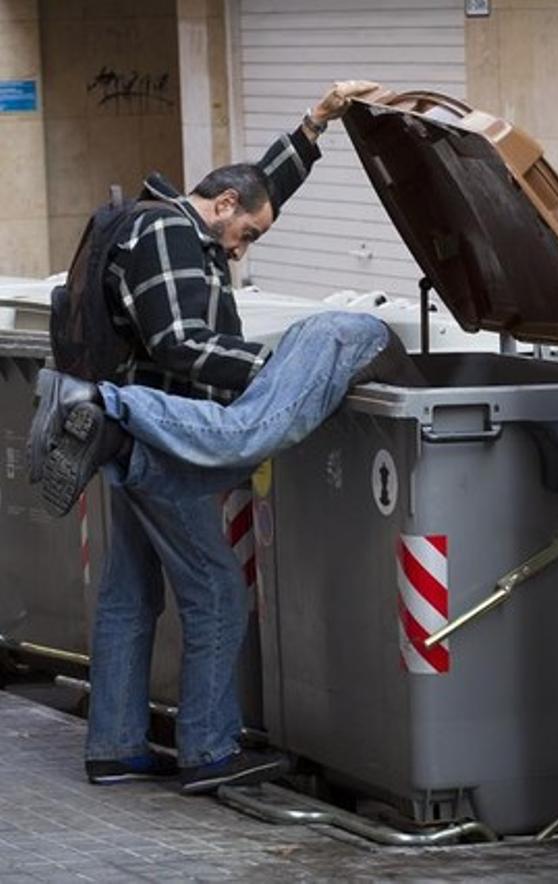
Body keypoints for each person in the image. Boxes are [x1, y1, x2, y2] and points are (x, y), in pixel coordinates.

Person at [29, 80, 396, 796]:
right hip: (164, 435)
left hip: (133, 436)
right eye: (248, 233)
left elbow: (257, 191)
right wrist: (274, 366)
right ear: (221, 206)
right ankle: (208, 750)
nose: (244, 249)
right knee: (218, 593)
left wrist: (313, 125)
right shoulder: (168, 232)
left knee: (130, 593)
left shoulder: (177, 220)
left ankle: (115, 746)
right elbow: (178, 344)